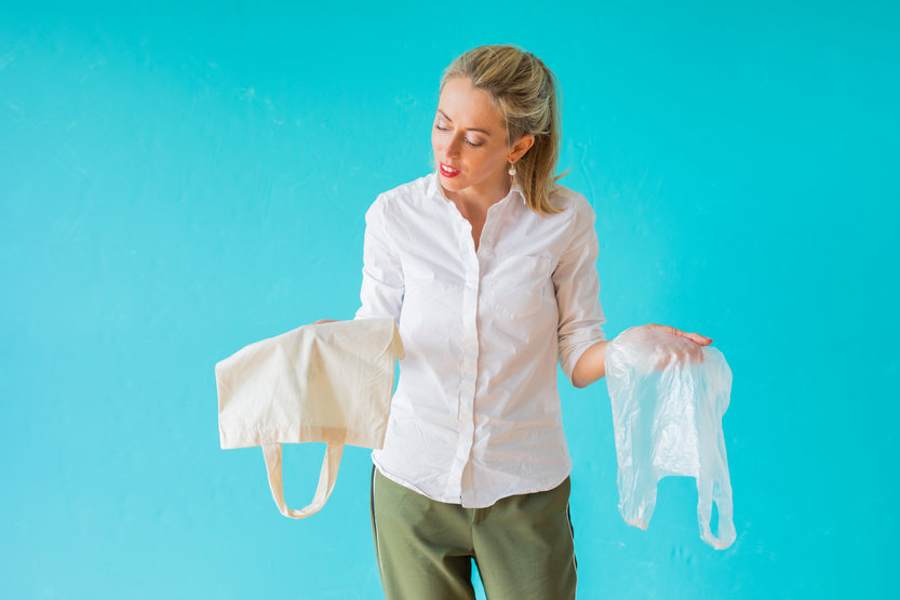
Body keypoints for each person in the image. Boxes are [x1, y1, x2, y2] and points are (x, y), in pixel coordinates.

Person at [316, 44, 711, 600]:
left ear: (519, 146)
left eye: (474, 139)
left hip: (524, 488)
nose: (448, 150)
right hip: (413, 484)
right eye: (441, 125)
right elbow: (375, 333)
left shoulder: (564, 221)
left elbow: (578, 352)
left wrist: (629, 347)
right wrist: (332, 342)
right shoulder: (394, 216)